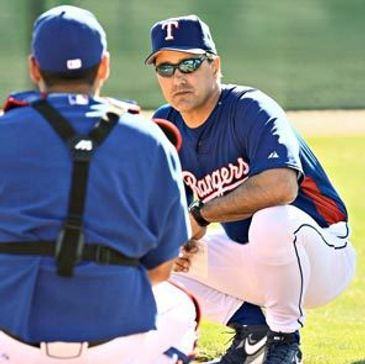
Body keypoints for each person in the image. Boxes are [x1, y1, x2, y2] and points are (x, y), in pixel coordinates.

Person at [145, 14, 356, 364]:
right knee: (151, 251)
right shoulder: (165, 125)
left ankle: (284, 342)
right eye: (165, 68)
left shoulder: (250, 108)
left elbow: (282, 186)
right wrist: (171, 241)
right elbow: (165, 215)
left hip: (322, 253)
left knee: (271, 220)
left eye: (189, 63)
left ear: (214, 65)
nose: (177, 77)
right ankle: (253, 332)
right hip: (258, 263)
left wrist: (200, 215)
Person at [0, 6, 199, 364]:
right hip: (114, 343)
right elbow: (161, 268)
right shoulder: (151, 139)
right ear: (104, 66)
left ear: (34, 68)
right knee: (183, 308)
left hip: (11, 340)